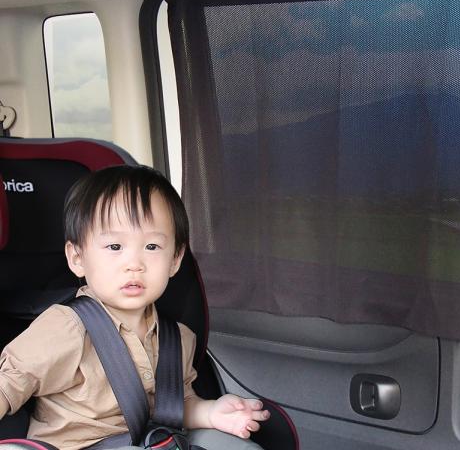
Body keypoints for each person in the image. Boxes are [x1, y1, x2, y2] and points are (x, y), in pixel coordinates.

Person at [0, 165, 269, 450]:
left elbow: (176, 406)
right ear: (77, 257)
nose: (134, 264)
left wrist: (212, 413)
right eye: (115, 247)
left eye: (152, 247)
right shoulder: (65, 327)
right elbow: (8, 384)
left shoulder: (178, 338)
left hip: (151, 439)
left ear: (175, 260)